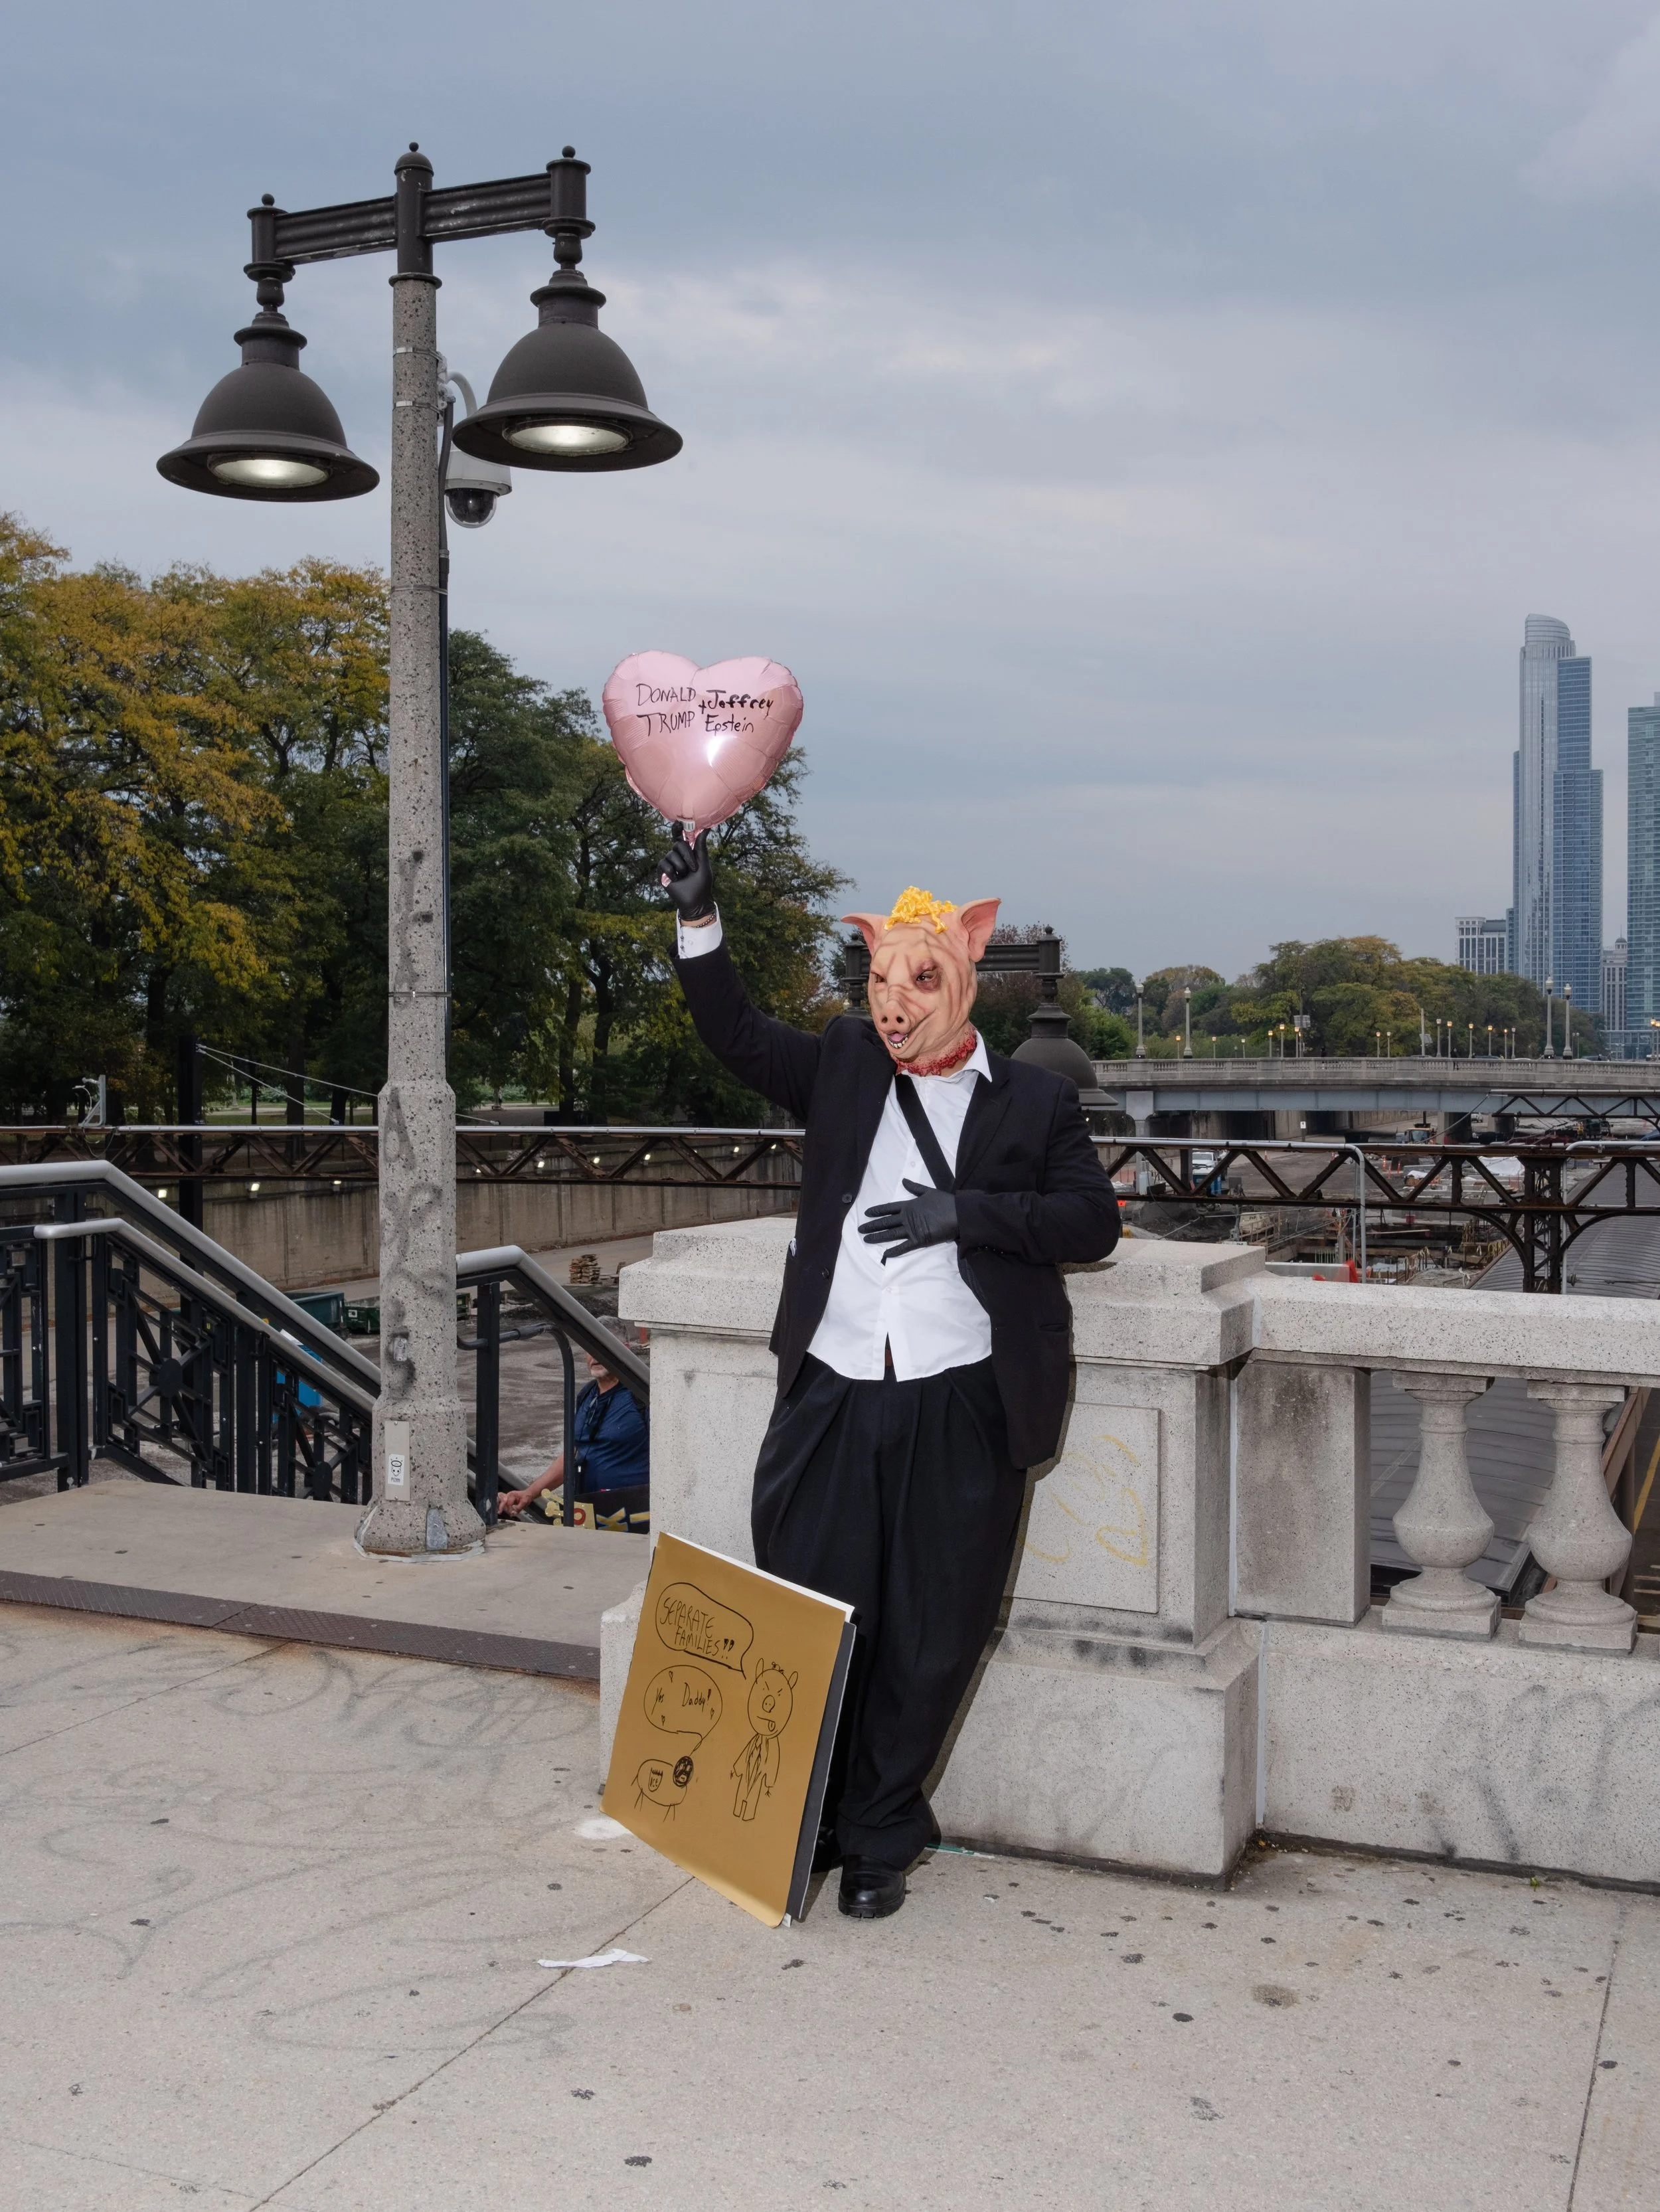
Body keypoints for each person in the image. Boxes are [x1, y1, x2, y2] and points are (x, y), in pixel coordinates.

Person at [659, 831, 1120, 1920]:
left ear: (962, 984)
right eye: (877, 980)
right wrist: (696, 915)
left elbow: (1092, 1222)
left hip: (962, 1393)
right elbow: (729, 1029)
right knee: (815, 1608)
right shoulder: (841, 1063)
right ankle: (802, 1816)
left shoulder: (1032, 1104)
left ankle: (878, 1836)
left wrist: (965, 1214)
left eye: (918, 980)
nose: (893, 1003)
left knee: (933, 1628)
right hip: (831, 1383)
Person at [497, 1347, 649, 1523]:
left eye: (601, 1346)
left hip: (633, 1519)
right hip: (589, 1515)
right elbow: (575, 1453)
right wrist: (529, 1494)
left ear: (625, 1350)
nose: (595, 1355)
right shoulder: (587, 1394)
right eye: (589, 1347)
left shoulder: (643, 1396)